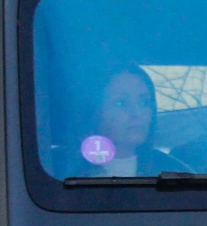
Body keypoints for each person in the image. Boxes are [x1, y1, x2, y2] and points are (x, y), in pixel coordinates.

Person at [54, 67, 187, 177]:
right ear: (94, 111)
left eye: (144, 102)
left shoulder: (174, 171)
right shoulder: (55, 169)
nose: (137, 113)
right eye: (121, 103)